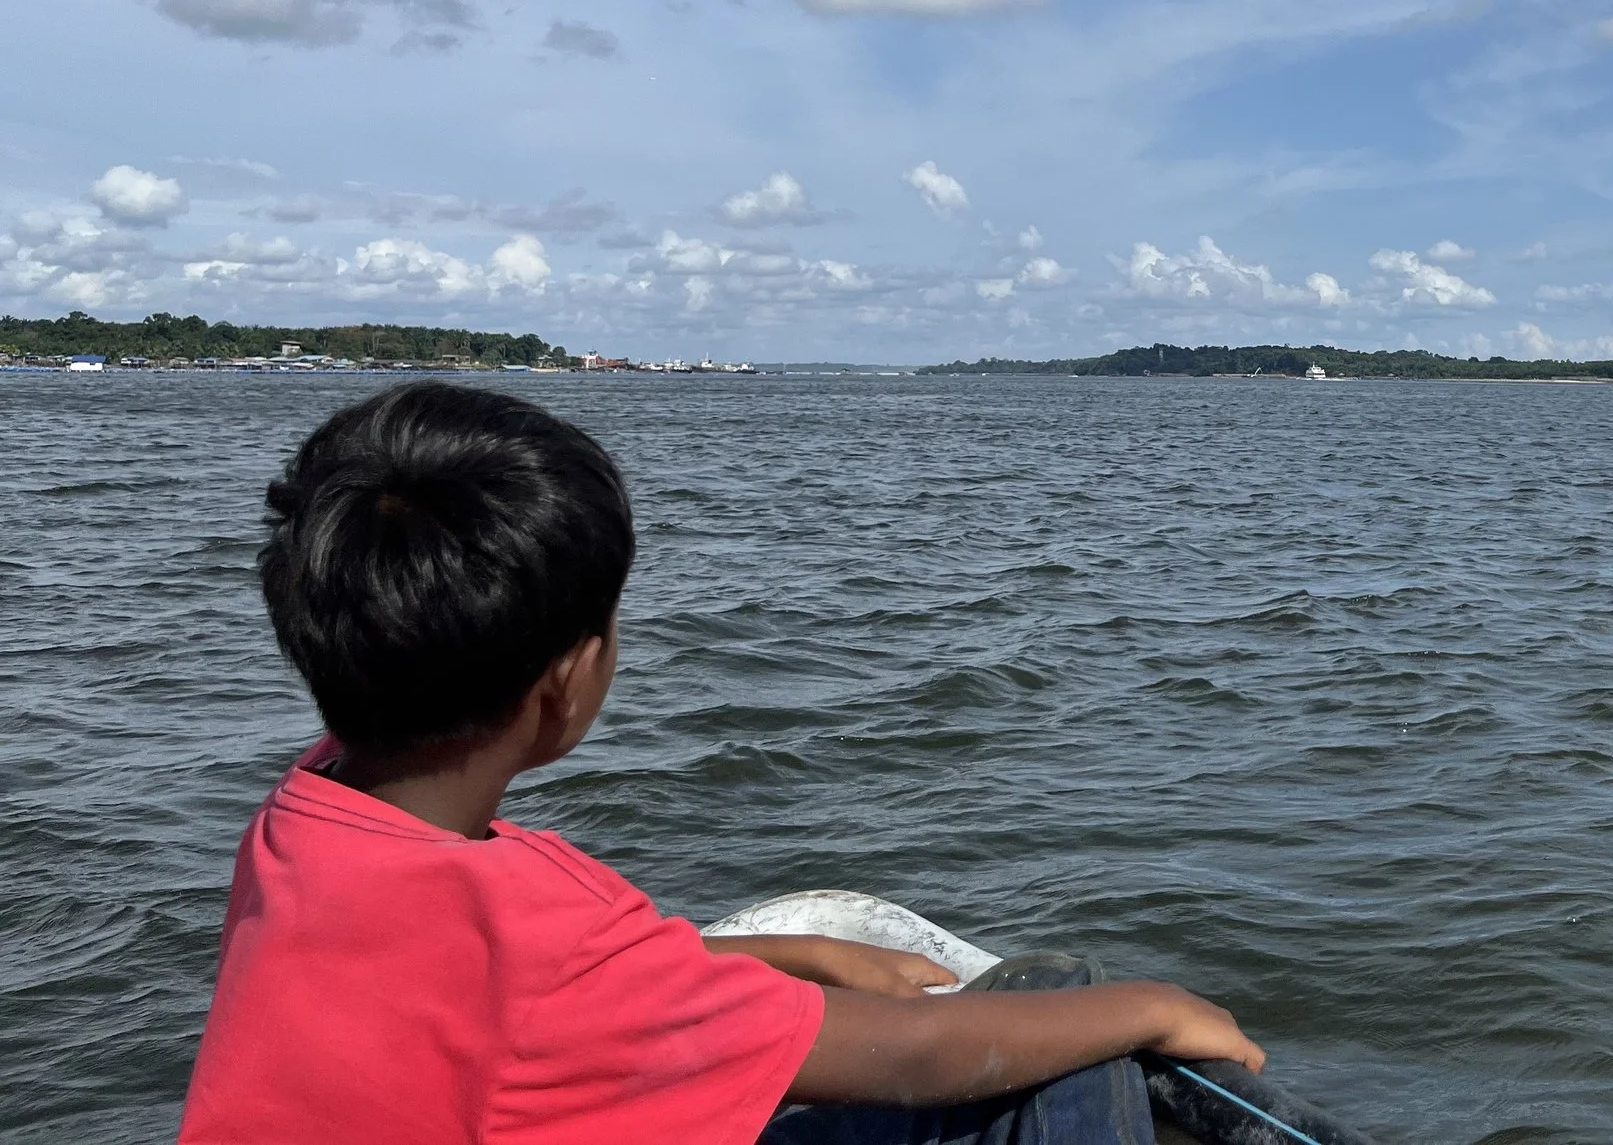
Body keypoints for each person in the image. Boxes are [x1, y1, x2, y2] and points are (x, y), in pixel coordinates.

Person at [177, 381, 1261, 1145]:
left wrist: (791, 950)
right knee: (1068, 1045)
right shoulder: (547, 933)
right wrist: (1151, 1004)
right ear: (570, 678)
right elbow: (920, 1054)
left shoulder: (302, 816)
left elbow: (485, 990)